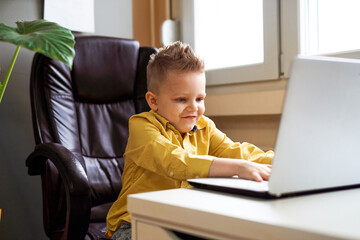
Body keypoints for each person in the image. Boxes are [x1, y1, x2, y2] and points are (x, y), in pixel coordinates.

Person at [105, 41, 274, 239]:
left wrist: (280, 163)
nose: (194, 108)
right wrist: (237, 167)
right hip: (132, 223)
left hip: (181, 218)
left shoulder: (205, 127)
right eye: (182, 100)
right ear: (153, 101)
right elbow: (174, 160)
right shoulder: (142, 126)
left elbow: (237, 151)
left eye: (199, 99)